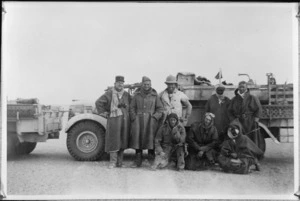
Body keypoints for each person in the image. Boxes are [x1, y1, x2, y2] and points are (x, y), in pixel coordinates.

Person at [95, 75, 131, 169]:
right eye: (118, 83)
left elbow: (132, 105)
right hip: (114, 120)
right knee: (113, 140)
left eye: (122, 83)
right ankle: (113, 162)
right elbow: (98, 102)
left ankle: (120, 162)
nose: (120, 85)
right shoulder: (109, 93)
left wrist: (127, 109)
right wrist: (104, 113)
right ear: (115, 84)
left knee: (122, 140)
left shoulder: (126, 94)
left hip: (124, 120)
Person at [129, 76, 164, 167]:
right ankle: (138, 161)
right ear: (142, 84)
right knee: (138, 140)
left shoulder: (155, 95)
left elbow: (160, 108)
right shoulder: (137, 95)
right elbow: (132, 107)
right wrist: (134, 117)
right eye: (144, 84)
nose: (146, 86)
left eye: (148, 84)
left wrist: (155, 117)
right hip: (138, 120)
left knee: (151, 140)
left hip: (150, 121)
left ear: (151, 85)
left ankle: (151, 160)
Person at [228, 81, 265, 153]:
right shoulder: (234, 99)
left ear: (246, 88)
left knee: (251, 138)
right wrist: (233, 120)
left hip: (249, 121)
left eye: (243, 87)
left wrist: (256, 119)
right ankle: (241, 154)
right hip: (238, 122)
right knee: (239, 137)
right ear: (238, 88)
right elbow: (229, 111)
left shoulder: (252, 98)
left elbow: (259, 108)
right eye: (240, 87)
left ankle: (253, 154)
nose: (241, 89)